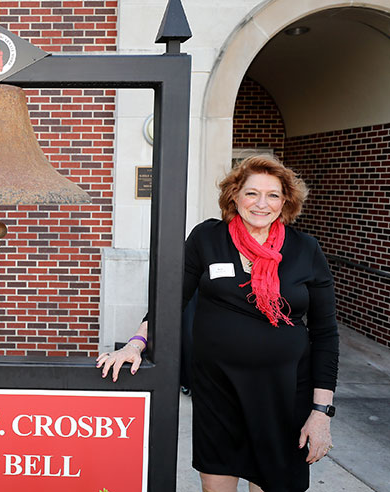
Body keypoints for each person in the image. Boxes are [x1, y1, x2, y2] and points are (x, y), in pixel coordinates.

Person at [96, 155, 339, 492]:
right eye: (252, 193)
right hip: (219, 392)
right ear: (234, 196)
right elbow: (170, 301)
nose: (261, 203)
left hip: (284, 396)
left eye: (273, 195)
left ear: (285, 201)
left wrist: (321, 411)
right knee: (216, 485)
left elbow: (326, 333)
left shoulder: (305, 249)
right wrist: (137, 342)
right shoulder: (207, 238)